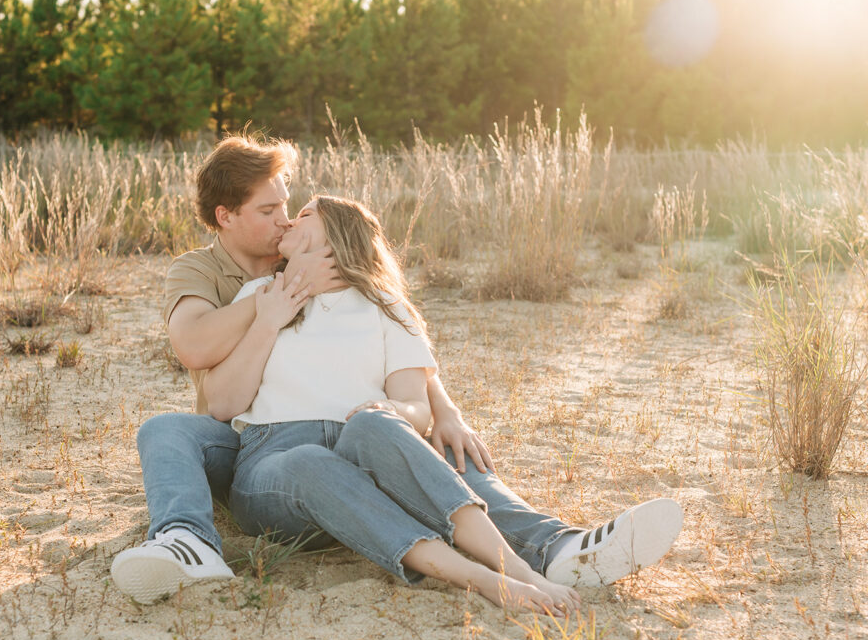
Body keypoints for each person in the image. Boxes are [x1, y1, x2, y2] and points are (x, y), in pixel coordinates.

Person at [110, 135, 683, 605]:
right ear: (225, 217)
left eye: (292, 208)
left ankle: (557, 550)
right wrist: (271, 305)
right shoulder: (216, 275)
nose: (286, 222)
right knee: (166, 431)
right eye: (271, 211)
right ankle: (185, 539)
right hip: (248, 443)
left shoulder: (375, 302)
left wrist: (440, 408)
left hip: (357, 435)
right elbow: (196, 354)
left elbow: (400, 361)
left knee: (422, 443)